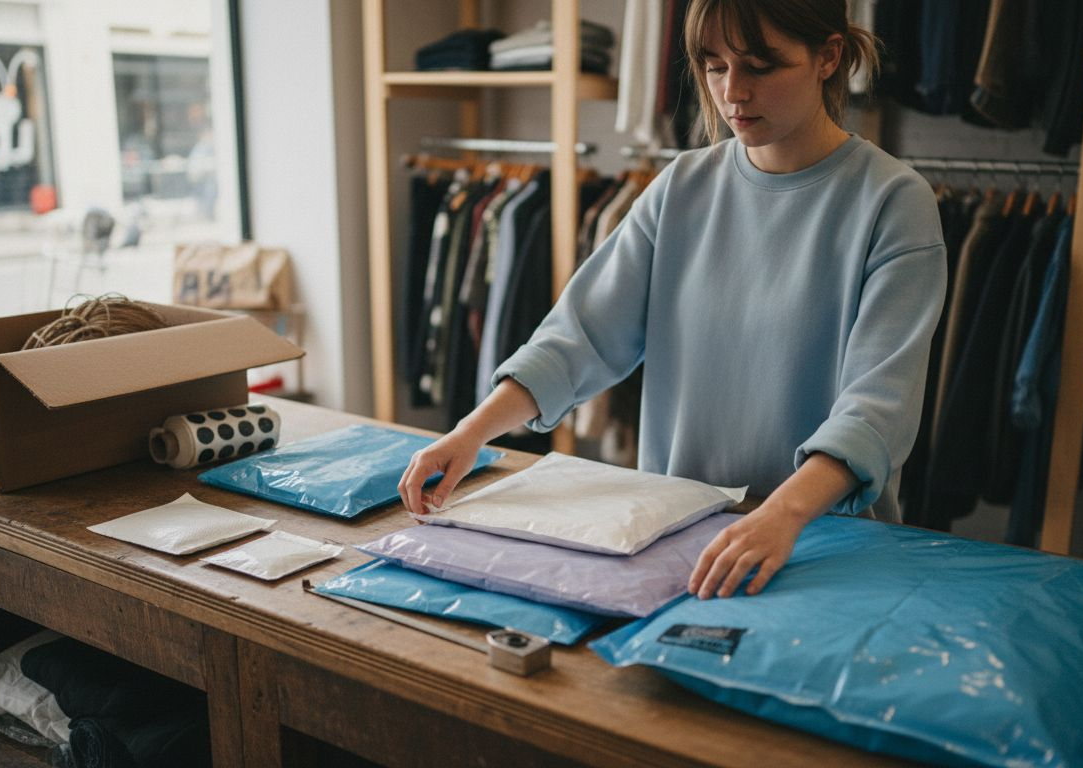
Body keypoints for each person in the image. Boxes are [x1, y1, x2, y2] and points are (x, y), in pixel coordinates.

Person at [398, 0, 946, 600]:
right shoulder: (681, 187)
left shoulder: (893, 202)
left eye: (760, 66)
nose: (732, 92)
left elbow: (876, 409)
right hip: (679, 539)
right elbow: (578, 338)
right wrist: (470, 434)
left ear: (829, 57)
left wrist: (781, 514)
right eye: (715, 66)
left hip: (820, 543)